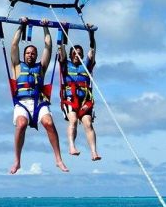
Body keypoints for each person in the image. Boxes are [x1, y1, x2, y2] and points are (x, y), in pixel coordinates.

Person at [10, 17, 69, 175]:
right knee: (21, 124)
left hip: (39, 102)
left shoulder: (40, 67)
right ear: (24, 55)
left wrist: (45, 27)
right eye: (28, 53)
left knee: (49, 123)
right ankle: (17, 160)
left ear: (36, 56)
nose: (30, 55)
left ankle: (58, 159)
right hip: (22, 103)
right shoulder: (17, 65)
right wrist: (21, 26)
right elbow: (14, 44)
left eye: (33, 53)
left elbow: (48, 46)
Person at [58, 25, 101, 161]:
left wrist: (91, 34)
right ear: (71, 55)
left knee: (88, 123)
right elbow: (62, 48)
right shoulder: (66, 64)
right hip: (70, 98)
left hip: (85, 100)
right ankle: (72, 146)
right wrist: (65, 30)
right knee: (73, 120)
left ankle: (94, 152)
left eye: (79, 53)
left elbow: (92, 50)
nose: (77, 55)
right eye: (74, 53)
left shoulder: (86, 65)